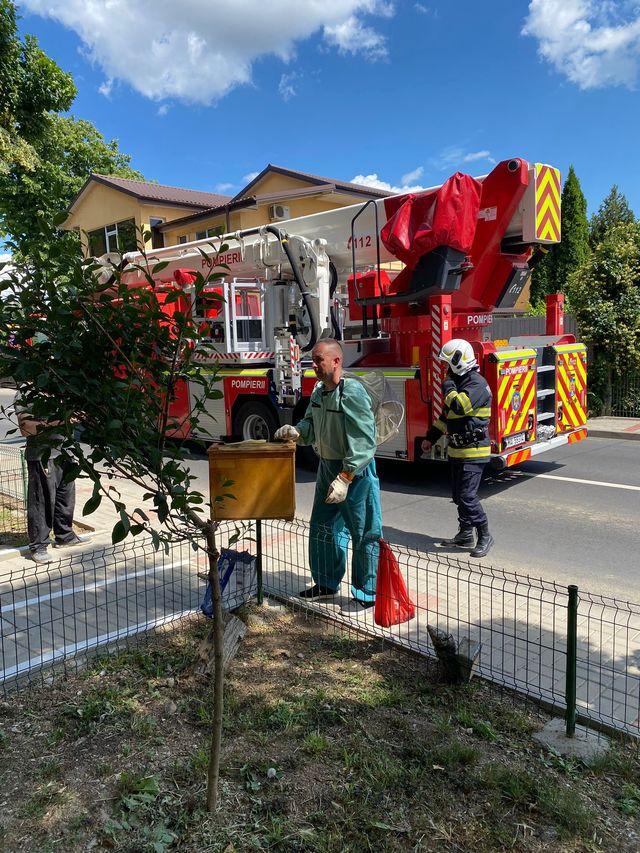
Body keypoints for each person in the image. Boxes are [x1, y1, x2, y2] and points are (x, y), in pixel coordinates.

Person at [274, 339, 382, 608]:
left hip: (354, 471)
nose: (313, 366)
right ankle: (325, 583)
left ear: (336, 361)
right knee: (322, 527)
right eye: (312, 360)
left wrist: (346, 477)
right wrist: (297, 431)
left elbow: (364, 440)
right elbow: (311, 423)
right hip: (327, 467)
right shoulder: (320, 391)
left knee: (364, 530)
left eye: (318, 360)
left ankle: (367, 593)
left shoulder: (352, 393)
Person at [421, 339, 494, 558]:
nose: (445, 369)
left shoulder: (476, 384)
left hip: (474, 451)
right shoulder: (460, 384)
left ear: (458, 361)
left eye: (447, 364)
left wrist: (448, 386)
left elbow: (460, 406)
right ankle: (465, 534)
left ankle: (485, 535)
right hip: (457, 451)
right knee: (457, 495)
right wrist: (430, 438)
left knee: (467, 496)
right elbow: (446, 417)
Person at [15, 398, 82, 563]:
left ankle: (64, 535)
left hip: (66, 453)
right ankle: (38, 546)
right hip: (42, 456)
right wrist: (60, 421)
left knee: (65, 498)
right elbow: (26, 428)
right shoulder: (26, 392)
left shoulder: (62, 388)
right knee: (41, 502)